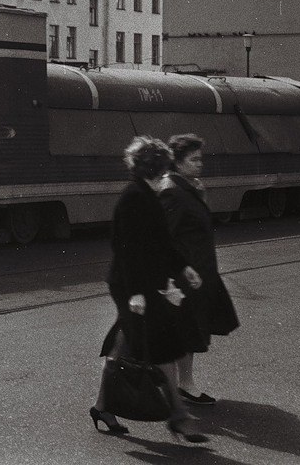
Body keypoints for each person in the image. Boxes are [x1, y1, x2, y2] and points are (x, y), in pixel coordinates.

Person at [91, 135, 206, 444]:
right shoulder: (134, 198)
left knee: (122, 347)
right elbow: (126, 250)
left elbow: (162, 244)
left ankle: (102, 408)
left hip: (143, 283)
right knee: (164, 348)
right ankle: (179, 417)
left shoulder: (147, 195)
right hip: (133, 286)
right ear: (153, 170)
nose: (166, 176)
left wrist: (184, 267)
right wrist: (136, 294)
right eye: (163, 170)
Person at [159, 134, 239, 407]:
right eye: (193, 160)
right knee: (185, 331)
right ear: (178, 163)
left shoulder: (187, 187)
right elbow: (165, 237)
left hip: (197, 271)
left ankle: (181, 385)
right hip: (186, 275)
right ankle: (183, 386)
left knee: (189, 329)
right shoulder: (172, 191)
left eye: (199, 158)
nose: (199, 164)